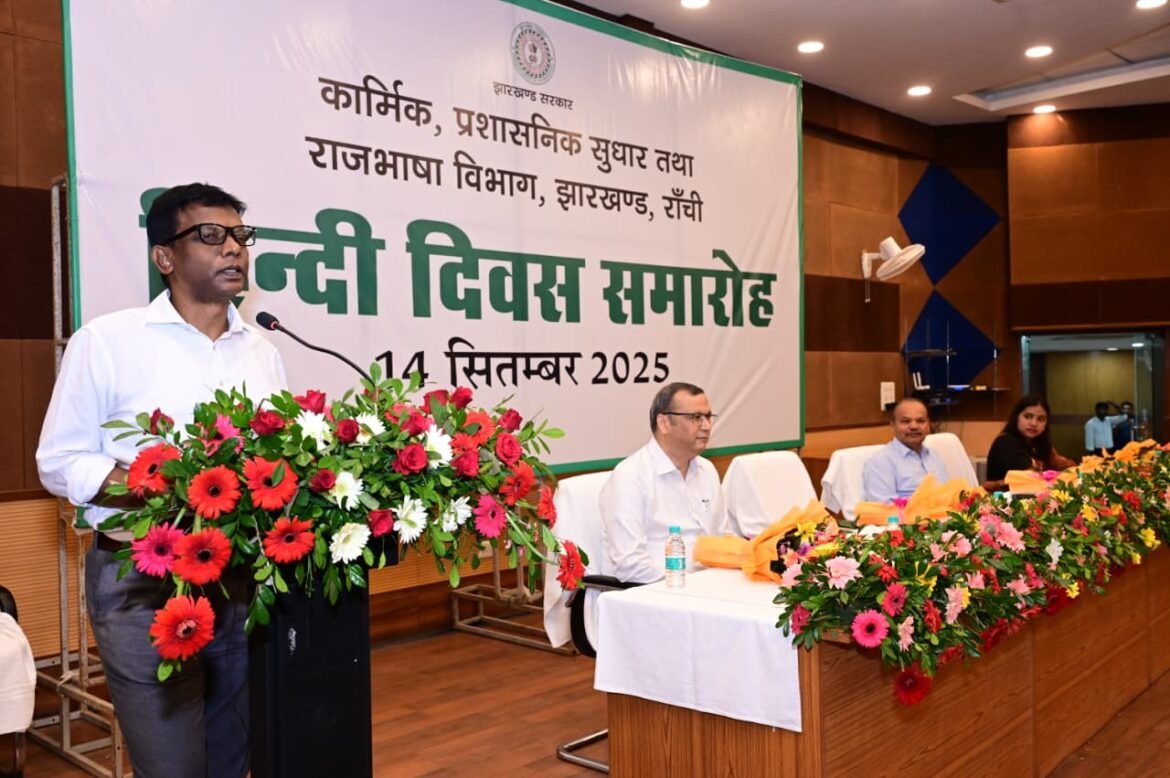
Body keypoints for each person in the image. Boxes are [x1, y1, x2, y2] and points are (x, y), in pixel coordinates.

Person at [37, 183, 287, 778]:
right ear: (165, 257)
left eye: (240, 236)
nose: (234, 248)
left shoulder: (262, 350)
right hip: (142, 583)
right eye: (211, 235)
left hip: (240, 580)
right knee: (172, 764)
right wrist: (159, 486)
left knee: (232, 756)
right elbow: (59, 460)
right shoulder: (108, 341)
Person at [599, 382, 734, 583]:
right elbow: (630, 566)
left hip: (710, 585)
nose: (706, 426)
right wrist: (689, 583)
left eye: (708, 417)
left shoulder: (707, 471)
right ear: (664, 423)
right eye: (696, 417)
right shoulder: (630, 477)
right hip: (657, 591)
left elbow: (724, 538)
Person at [862, 398, 950, 503]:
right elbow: (884, 509)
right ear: (892, 425)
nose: (914, 426)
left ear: (928, 425)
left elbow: (947, 494)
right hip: (909, 514)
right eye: (905, 421)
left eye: (921, 421)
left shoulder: (933, 455)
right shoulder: (880, 463)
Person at [984, 394, 1076, 490]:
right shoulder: (1005, 443)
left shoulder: (1040, 443)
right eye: (1028, 417)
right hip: (1002, 498)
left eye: (1041, 419)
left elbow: (1064, 465)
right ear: (1016, 418)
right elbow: (1031, 478)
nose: (1034, 423)